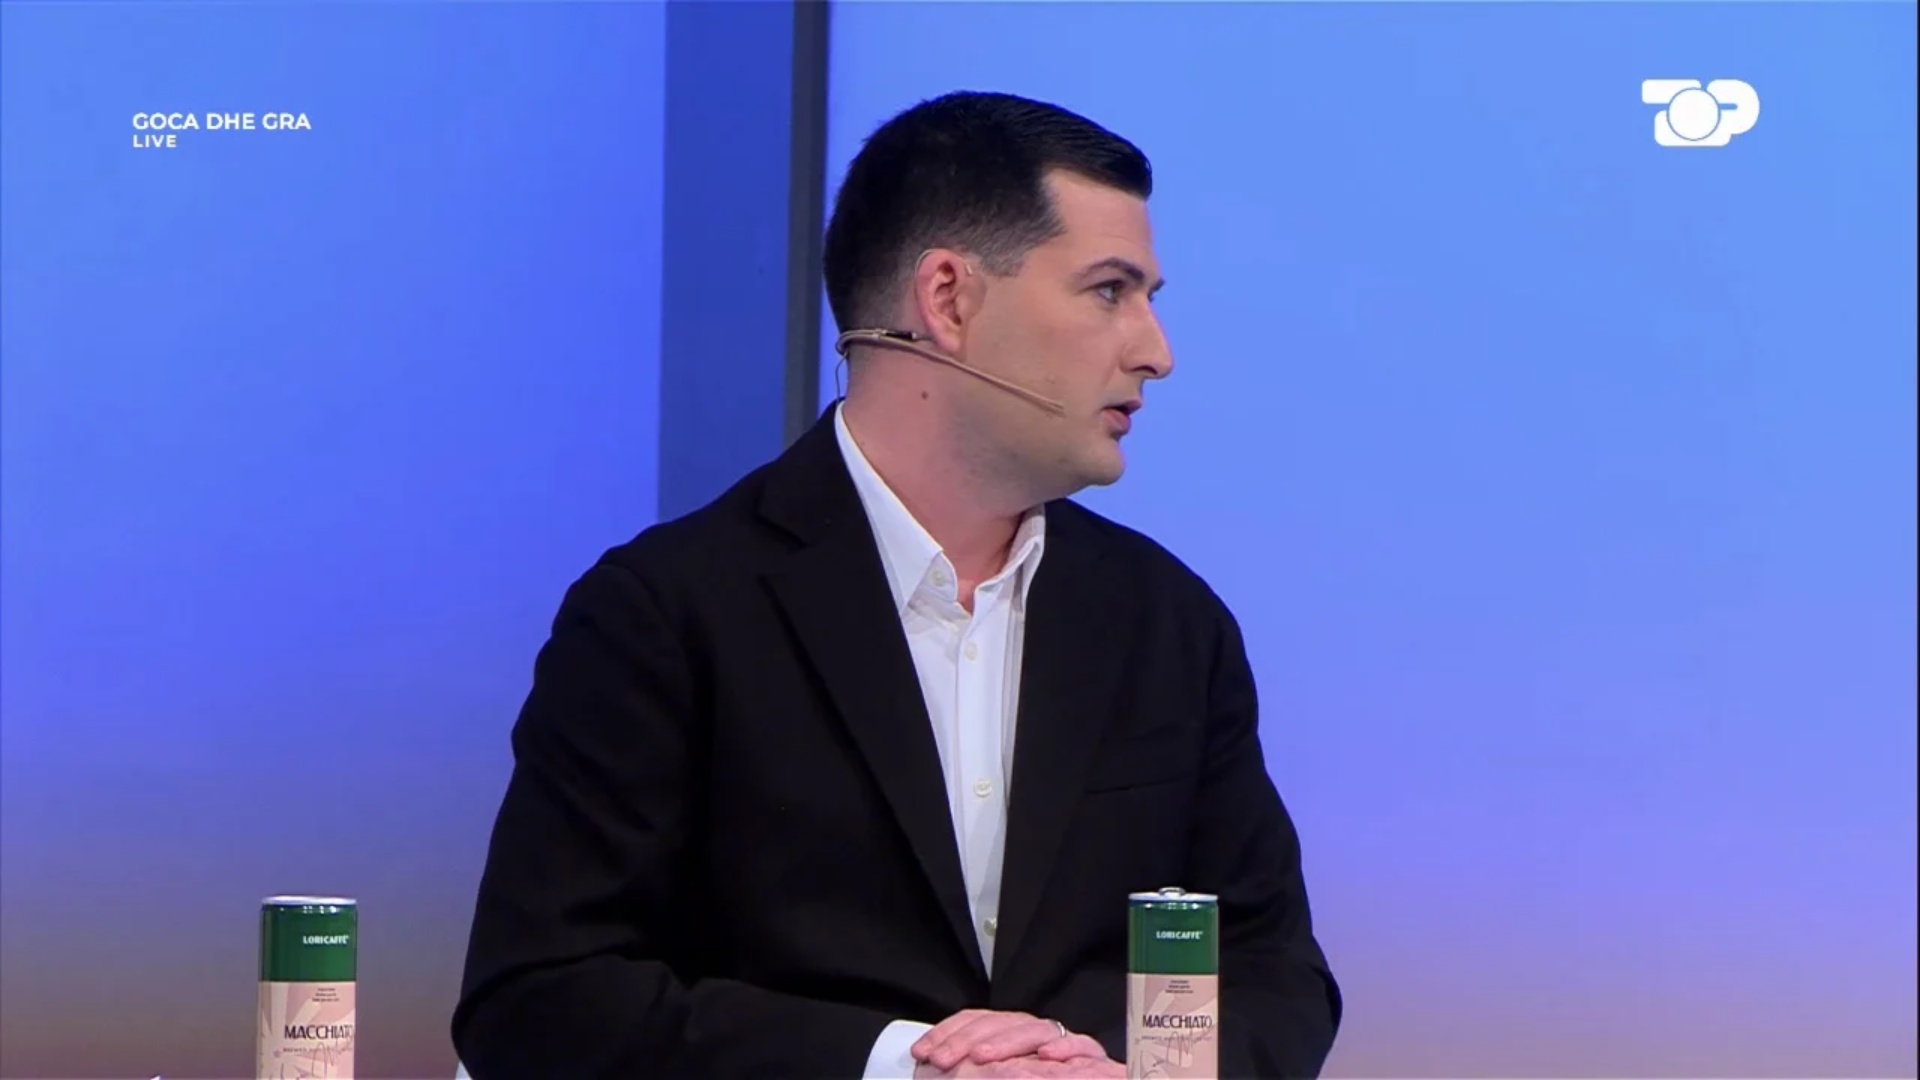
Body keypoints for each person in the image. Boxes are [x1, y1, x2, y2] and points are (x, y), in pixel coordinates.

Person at [452, 90, 1341, 1079]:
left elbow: (1272, 971)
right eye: (1108, 292)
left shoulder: (1166, 621)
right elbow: (540, 997)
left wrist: (1127, 1075)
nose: (1155, 353)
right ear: (948, 299)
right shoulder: (667, 613)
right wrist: (906, 1066)